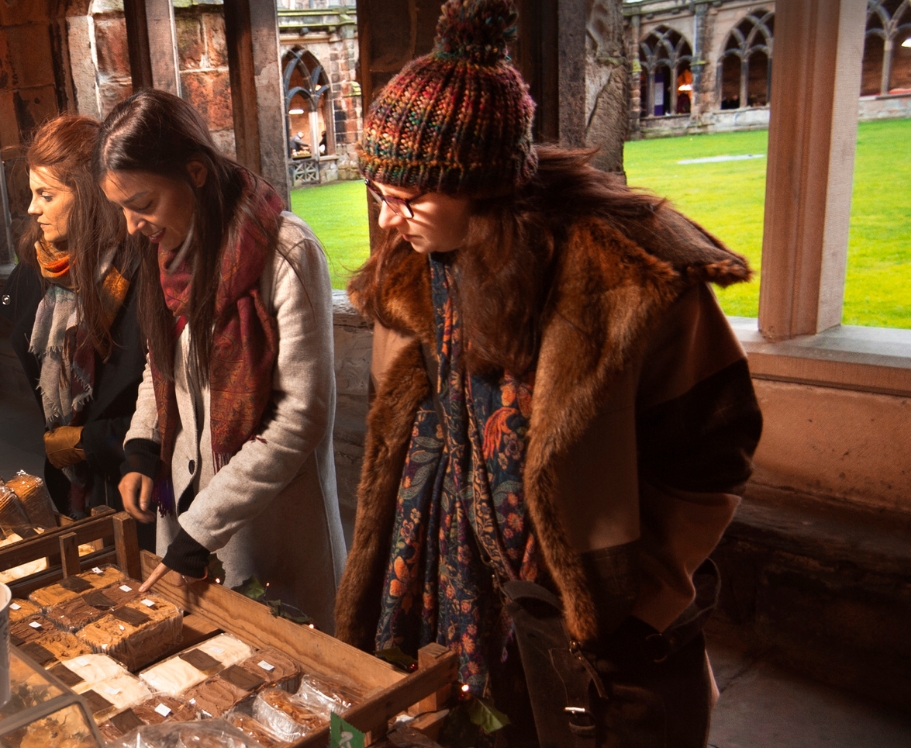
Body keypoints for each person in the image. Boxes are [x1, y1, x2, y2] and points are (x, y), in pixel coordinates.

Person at [332, 1, 763, 745]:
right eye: (378, 193)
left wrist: (642, 602)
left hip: (592, 598)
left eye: (411, 197)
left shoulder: (630, 279)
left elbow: (713, 452)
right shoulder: (421, 260)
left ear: (488, 187)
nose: (386, 221)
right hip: (451, 569)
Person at [99, 90, 345, 627]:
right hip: (187, 516)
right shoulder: (167, 251)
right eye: (120, 208)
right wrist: (141, 447)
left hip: (270, 529)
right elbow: (161, 362)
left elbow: (301, 418)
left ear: (196, 171)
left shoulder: (286, 252)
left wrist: (205, 522)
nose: (131, 226)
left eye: (142, 204)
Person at [3, 115, 146, 520]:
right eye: (32, 194)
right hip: (73, 484)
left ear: (88, 195)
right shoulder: (37, 269)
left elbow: (169, 397)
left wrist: (89, 441)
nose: (33, 209)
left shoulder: (138, 269)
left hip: (136, 483)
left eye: (46, 195)